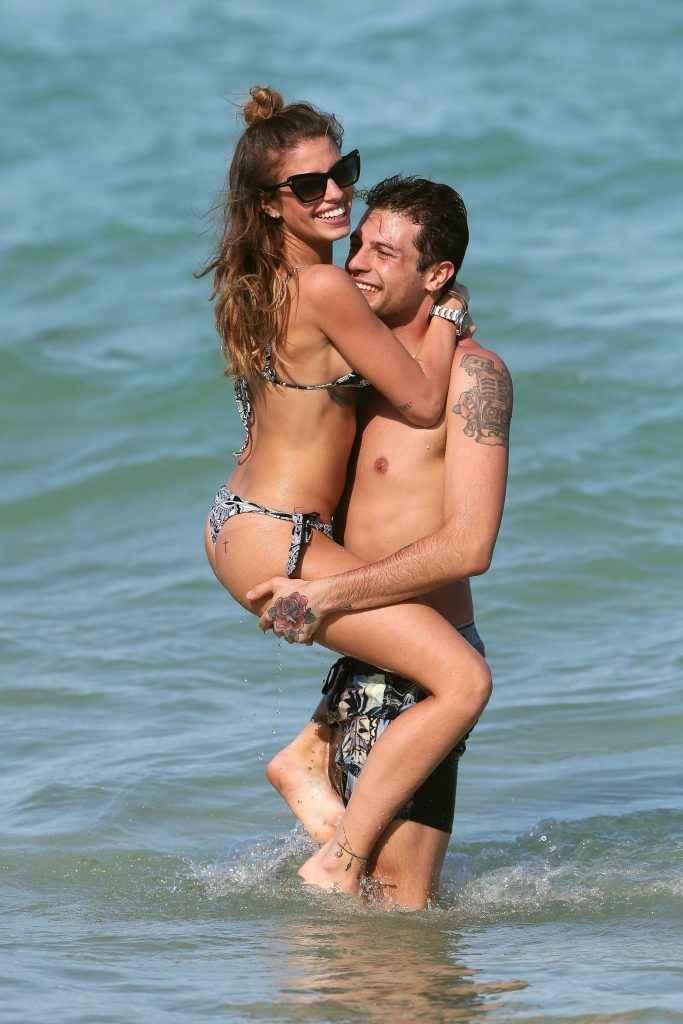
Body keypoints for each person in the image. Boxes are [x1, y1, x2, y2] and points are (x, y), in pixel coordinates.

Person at [200, 85, 492, 896]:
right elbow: (423, 400)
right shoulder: (326, 290)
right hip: (280, 534)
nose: (334, 194)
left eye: (343, 172)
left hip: (239, 520)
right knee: (463, 680)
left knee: (410, 640)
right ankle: (341, 859)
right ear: (269, 204)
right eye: (308, 185)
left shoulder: (266, 282)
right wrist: (449, 316)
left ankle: (308, 752)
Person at [254, 175, 512, 909]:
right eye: (359, 245)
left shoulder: (473, 376)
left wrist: (328, 594)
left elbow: (468, 546)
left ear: (436, 275)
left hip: (424, 674)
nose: (358, 263)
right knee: (391, 914)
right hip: (368, 663)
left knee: (393, 910)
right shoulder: (348, 374)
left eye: (384, 253)